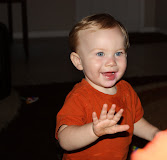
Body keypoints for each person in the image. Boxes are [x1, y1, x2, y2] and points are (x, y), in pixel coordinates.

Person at [55, 13, 160, 160]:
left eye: (118, 53)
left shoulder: (126, 90)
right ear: (78, 61)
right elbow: (64, 140)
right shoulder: (79, 97)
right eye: (100, 53)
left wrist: (154, 133)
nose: (111, 62)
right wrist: (93, 130)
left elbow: (134, 121)